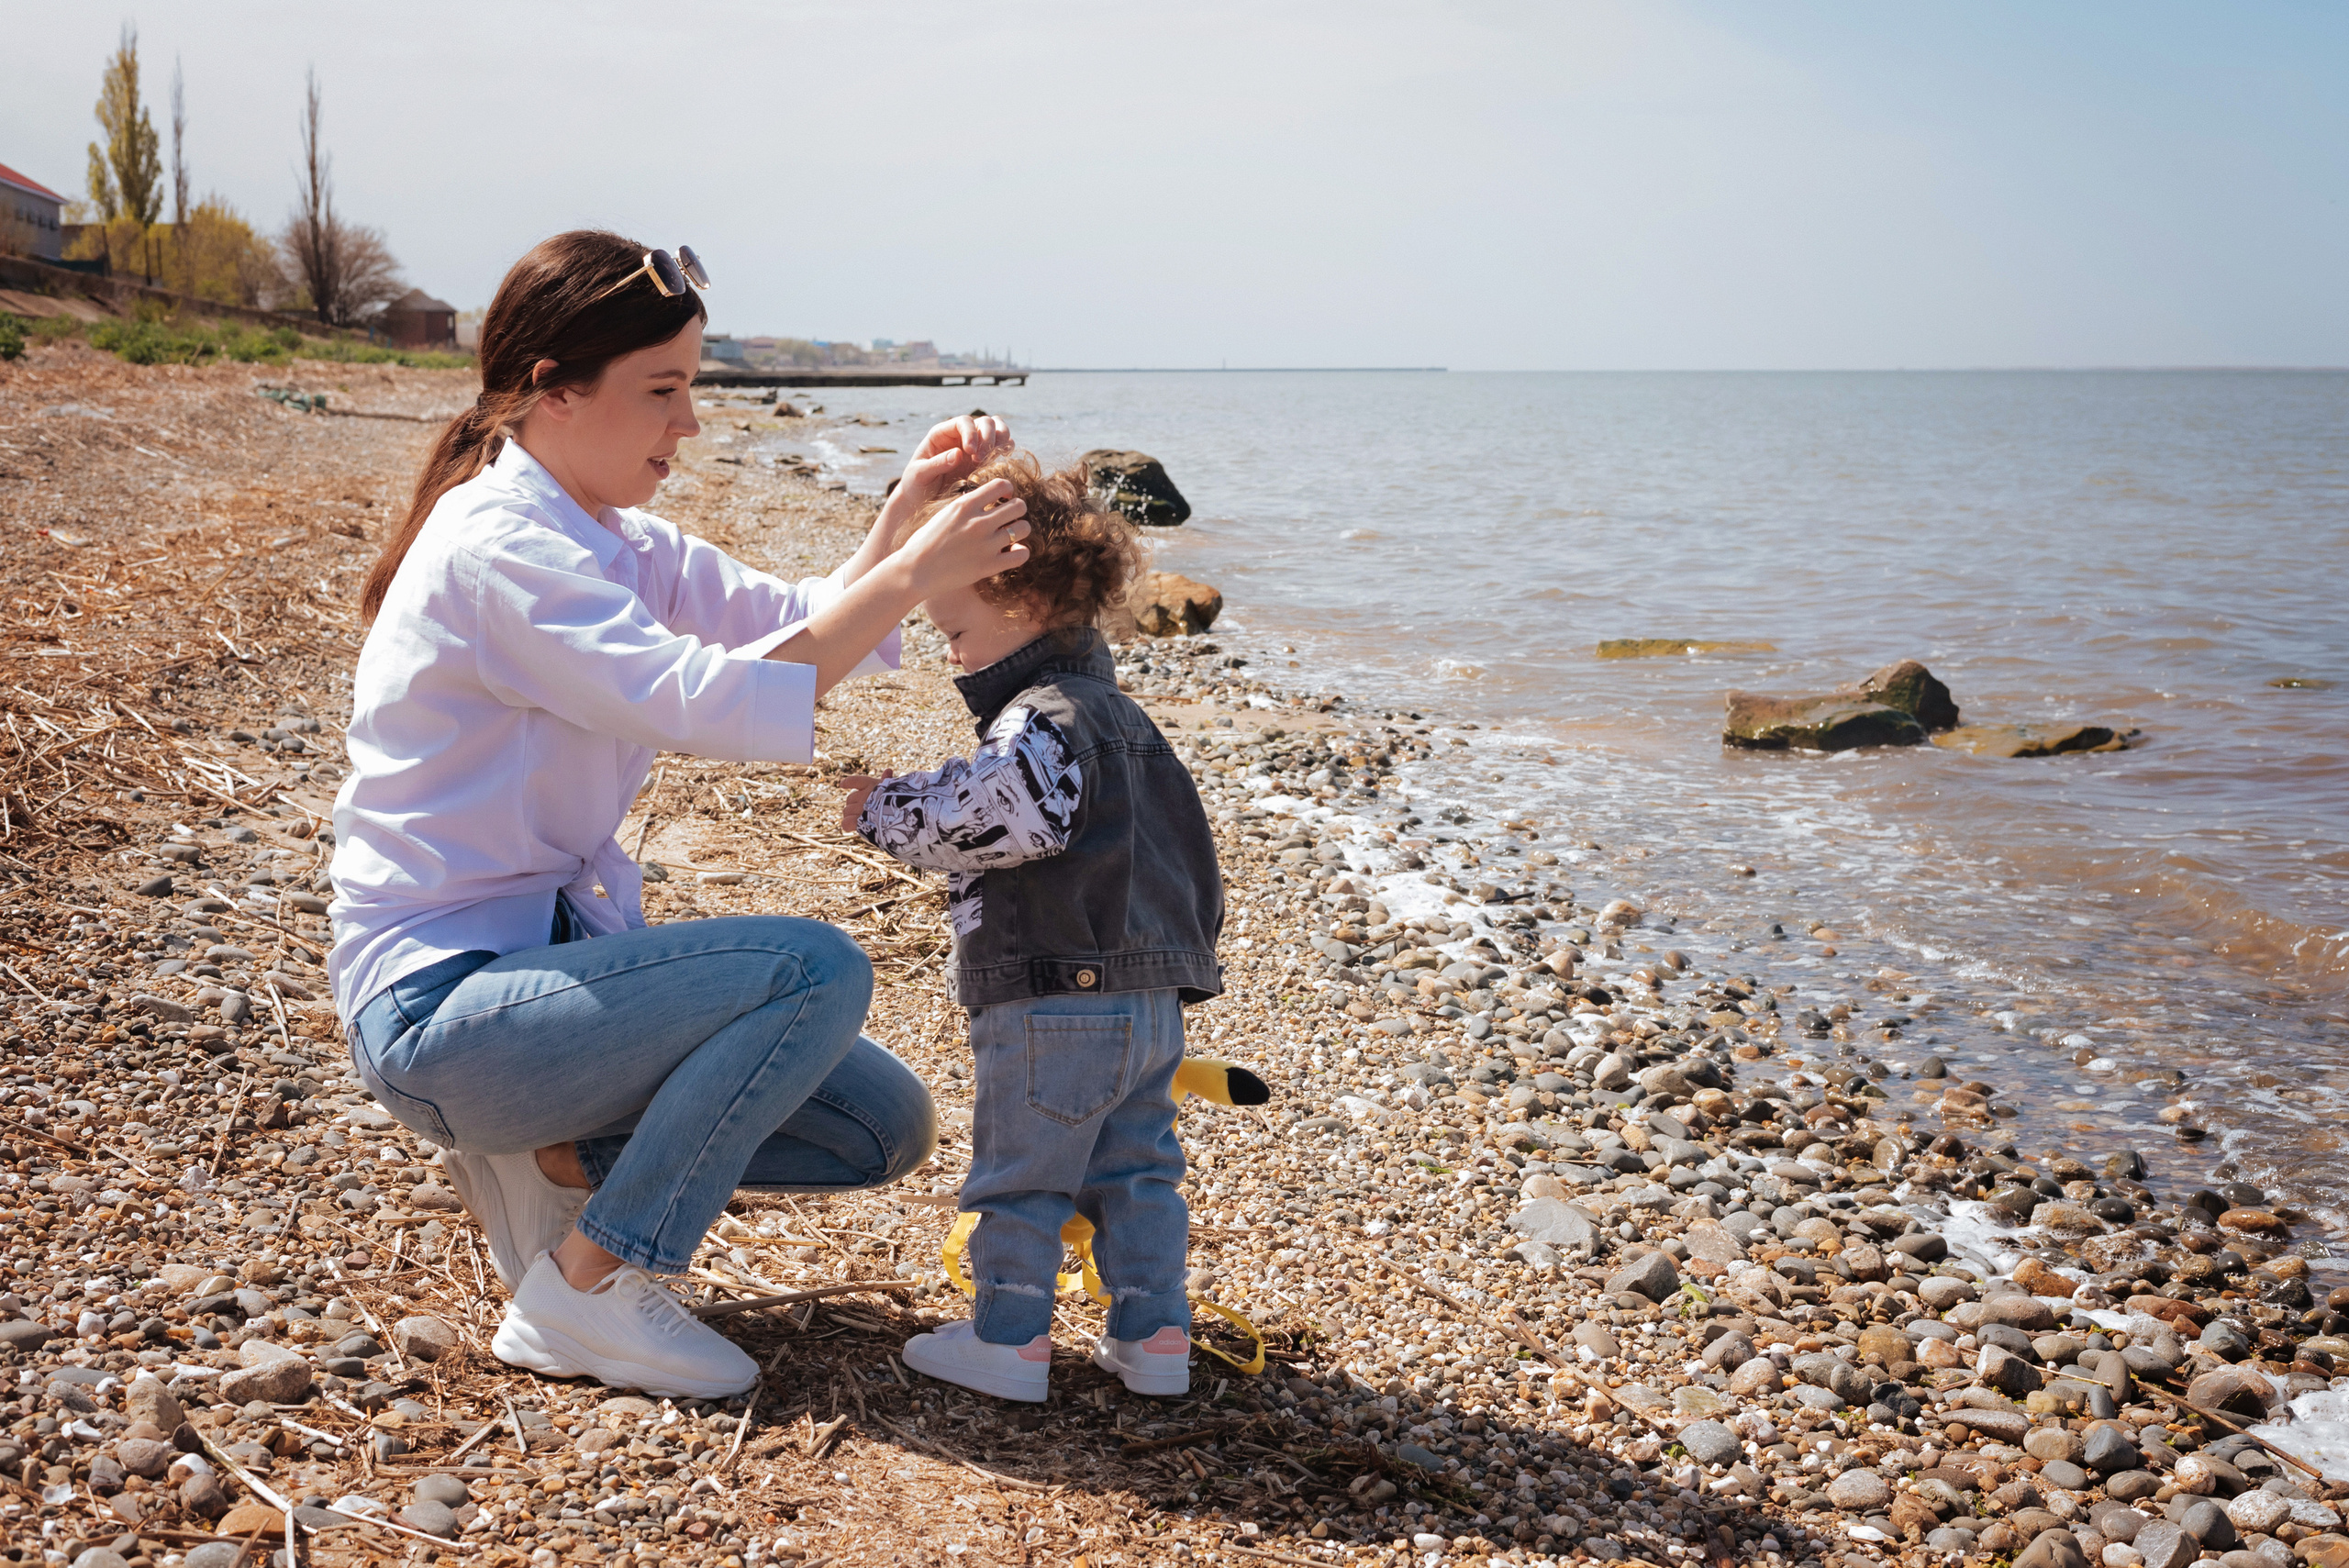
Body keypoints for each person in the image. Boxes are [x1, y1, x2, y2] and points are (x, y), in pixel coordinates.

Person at [328, 229, 1032, 1398]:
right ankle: (588, 1285)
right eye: (662, 390)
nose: (689, 422)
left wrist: (904, 520)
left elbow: (797, 618)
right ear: (554, 388)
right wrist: (914, 574)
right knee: (812, 968)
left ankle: (558, 1154)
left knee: (882, 1124)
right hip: (441, 1010)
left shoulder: (610, 537)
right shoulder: (502, 553)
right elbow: (715, 697)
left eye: (690, 386)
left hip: (547, 970)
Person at [837, 454, 1224, 1402]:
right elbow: (1187, 855)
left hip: (1055, 995)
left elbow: (1001, 815)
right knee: (1139, 1168)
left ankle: (1007, 1337)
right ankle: (1155, 1334)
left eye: (957, 630)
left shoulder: (1040, 717)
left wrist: (884, 808)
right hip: (1150, 1002)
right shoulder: (1127, 719)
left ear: (1026, 600)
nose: (950, 653)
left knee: (1024, 1172)